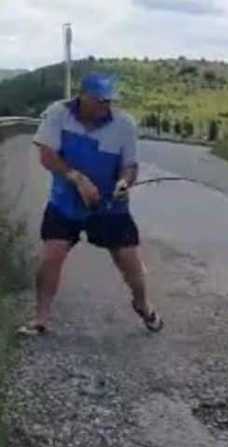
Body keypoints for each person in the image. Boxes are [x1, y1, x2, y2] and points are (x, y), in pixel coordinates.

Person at [16, 73, 162, 336]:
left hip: (109, 207)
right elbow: (47, 155)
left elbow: (130, 166)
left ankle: (143, 305)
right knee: (51, 256)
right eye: (100, 101)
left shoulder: (124, 124)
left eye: (110, 101)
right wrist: (76, 178)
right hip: (65, 203)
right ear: (82, 96)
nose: (105, 106)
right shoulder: (58, 113)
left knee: (130, 264)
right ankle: (41, 319)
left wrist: (123, 183)